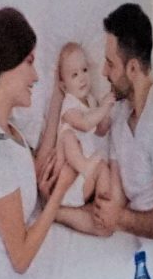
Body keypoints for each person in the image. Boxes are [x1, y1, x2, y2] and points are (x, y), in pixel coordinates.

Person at [0, 6, 100, 273]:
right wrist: (59, 191)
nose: (36, 76)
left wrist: (58, 95)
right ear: (6, 62)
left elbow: (34, 167)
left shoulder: (3, 126)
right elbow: (20, 258)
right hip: (15, 277)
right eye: (29, 63)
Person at [35, 39, 119, 235]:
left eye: (84, 70)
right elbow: (84, 124)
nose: (82, 78)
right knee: (67, 136)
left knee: (103, 169)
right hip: (68, 183)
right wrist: (103, 107)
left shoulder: (91, 101)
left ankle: (102, 208)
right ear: (64, 86)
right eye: (74, 75)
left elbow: (100, 130)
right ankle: (84, 165)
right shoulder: (69, 105)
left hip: (84, 181)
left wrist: (106, 114)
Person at [96, 2, 153, 240]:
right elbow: (113, 204)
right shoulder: (118, 115)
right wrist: (54, 208)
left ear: (133, 68)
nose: (103, 72)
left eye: (110, 64)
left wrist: (121, 218)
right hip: (138, 250)